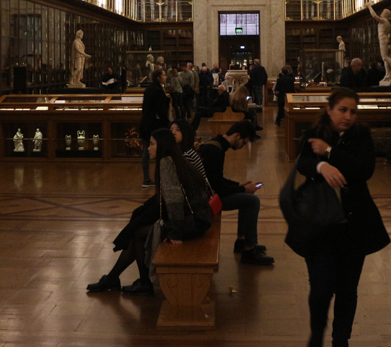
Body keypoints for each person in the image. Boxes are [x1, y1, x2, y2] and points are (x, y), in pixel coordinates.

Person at [295, 87, 390, 347]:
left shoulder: (360, 136)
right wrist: (321, 167)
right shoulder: (316, 131)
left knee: (348, 290)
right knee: (322, 287)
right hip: (321, 224)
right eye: (342, 110)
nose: (348, 116)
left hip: (353, 224)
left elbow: (364, 171)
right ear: (330, 109)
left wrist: (330, 153)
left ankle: (340, 346)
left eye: (352, 111)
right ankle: (317, 331)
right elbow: (303, 163)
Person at [86, 128, 212, 296]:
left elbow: (174, 201)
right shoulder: (176, 159)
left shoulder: (166, 163)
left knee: (138, 233)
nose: (148, 148)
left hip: (192, 223)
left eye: (152, 144)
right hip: (198, 218)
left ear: (162, 146)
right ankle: (114, 278)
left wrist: (175, 232)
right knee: (138, 227)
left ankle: (141, 282)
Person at [197, 121, 274, 265]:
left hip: (208, 194)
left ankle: (242, 241)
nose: (243, 147)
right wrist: (243, 189)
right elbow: (218, 188)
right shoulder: (215, 151)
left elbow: (216, 180)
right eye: (244, 143)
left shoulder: (216, 145)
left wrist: (239, 185)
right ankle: (249, 251)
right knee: (252, 201)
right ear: (237, 136)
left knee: (247, 199)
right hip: (206, 201)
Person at [139, 69, 170, 187]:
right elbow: (161, 109)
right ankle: (159, 178)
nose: (165, 77)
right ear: (158, 77)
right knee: (158, 151)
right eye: (164, 75)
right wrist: (167, 123)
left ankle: (147, 178)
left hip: (146, 124)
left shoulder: (150, 88)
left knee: (146, 151)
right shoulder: (157, 90)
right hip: (154, 125)